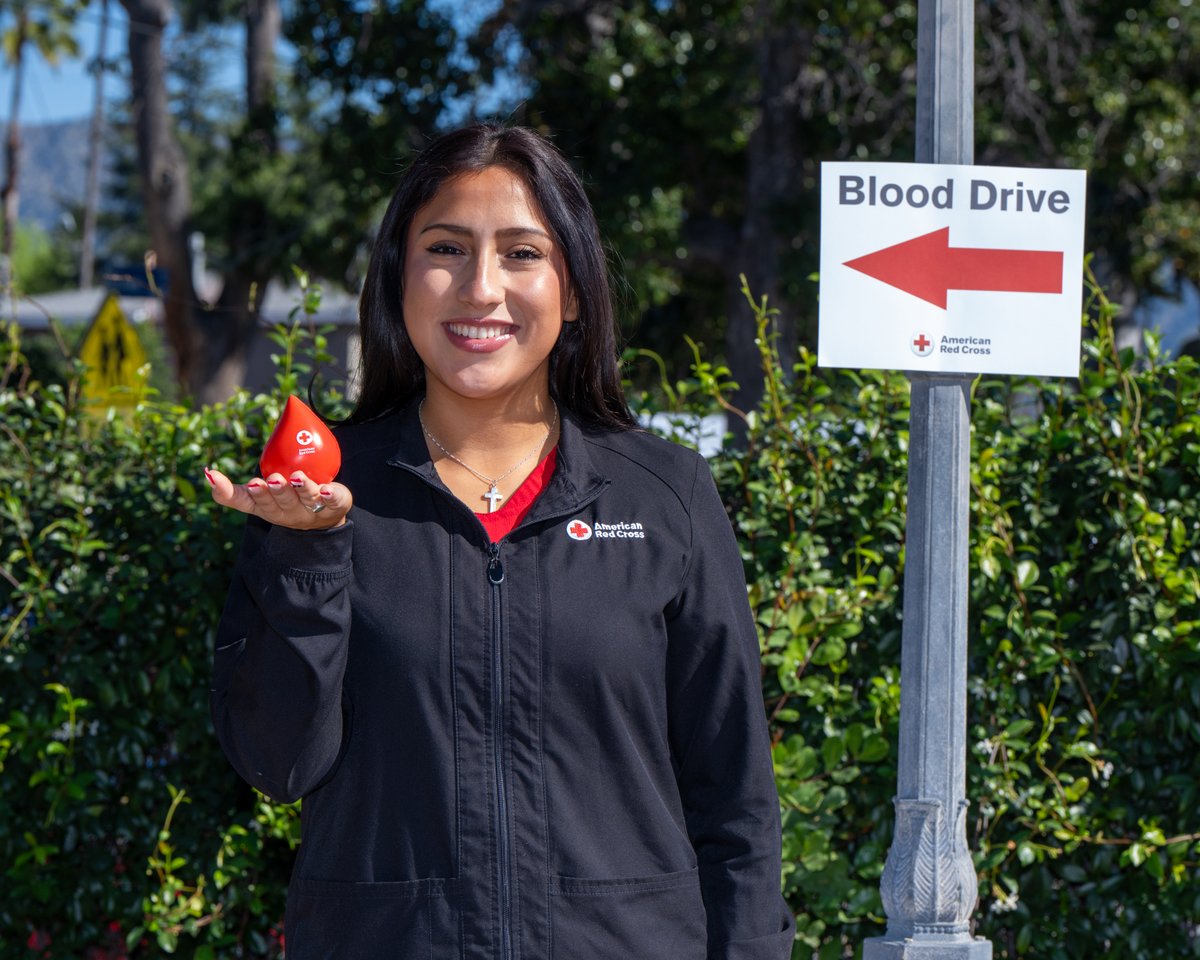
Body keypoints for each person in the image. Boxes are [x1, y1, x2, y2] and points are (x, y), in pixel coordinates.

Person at [205, 123, 795, 960]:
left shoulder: (666, 495)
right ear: (398, 278)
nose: (481, 287)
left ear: (575, 288)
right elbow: (277, 763)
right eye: (446, 248)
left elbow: (735, 798)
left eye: (522, 253)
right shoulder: (324, 494)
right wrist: (307, 553)